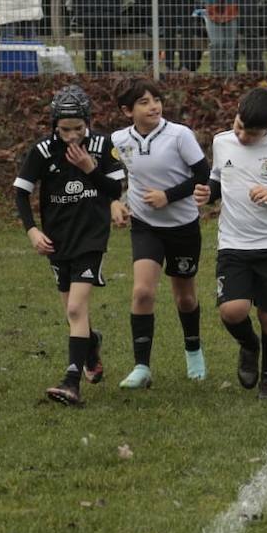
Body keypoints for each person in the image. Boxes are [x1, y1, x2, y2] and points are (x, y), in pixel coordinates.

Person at [193, 88, 267, 400]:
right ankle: (249, 345)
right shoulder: (221, 142)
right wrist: (209, 192)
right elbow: (220, 178)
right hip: (234, 243)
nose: (243, 135)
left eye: (253, 132)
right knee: (232, 311)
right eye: (240, 126)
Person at [14, 85, 127, 406]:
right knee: (71, 312)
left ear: (87, 122)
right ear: (54, 126)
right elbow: (21, 193)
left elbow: (116, 188)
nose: (73, 136)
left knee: (77, 308)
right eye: (65, 130)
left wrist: (90, 168)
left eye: (78, 128)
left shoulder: (103, 145)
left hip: (91, 238)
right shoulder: (43, 151)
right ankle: (91, 345)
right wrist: (32, 231)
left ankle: (71, 381)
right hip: (57, 240)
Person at [109, 79, 211, 389]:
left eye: (156, 99)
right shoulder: (118, 139)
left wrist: (169, 195)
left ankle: (193, 349)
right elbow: (112, 172)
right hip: (145, 226)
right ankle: (142, 367)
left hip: (182, 227)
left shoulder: (179, 135)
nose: (153, 106)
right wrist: (117, 201)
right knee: (142, 292)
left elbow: (203, 174)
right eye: (144, 102)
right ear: (127, 111)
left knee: (185, 297)